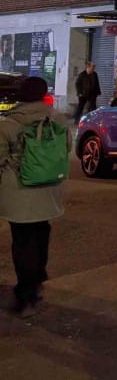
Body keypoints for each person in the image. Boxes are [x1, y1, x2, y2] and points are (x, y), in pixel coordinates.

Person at [0, 76, 73, 317]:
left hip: (19, 193)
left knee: (22, 241)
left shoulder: (9, 124)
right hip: (49, 190)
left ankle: (26, 291)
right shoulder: (58, 119)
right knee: (42, 234)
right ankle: (38, 279)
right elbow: (67, 148)